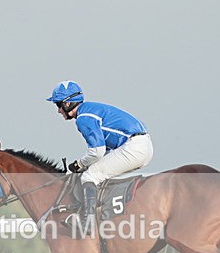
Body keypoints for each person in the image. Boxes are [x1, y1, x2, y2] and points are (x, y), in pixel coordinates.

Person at [47, 80, 153, 233]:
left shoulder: (83, 118)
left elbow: (97, 151)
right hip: (142, 145)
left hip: (134, 147)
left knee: (89, 176)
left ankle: (87, 222)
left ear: (68, 103)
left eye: (58, 105)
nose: (58, 110)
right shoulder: (90, 109)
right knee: (99, 172)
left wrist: (78, 165)